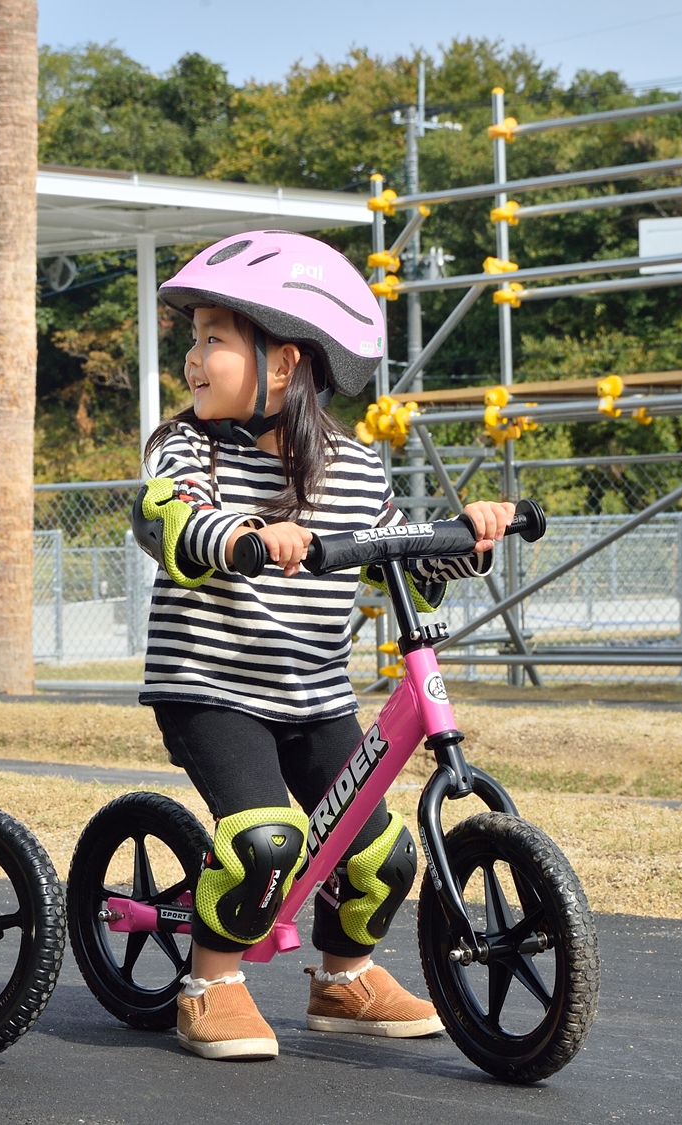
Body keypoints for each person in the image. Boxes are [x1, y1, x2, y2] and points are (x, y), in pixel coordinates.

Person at [133, 230, 516, 1061]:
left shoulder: (355, 468)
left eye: (215, 339)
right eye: (193, 339)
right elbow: (171, 515)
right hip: (210, 685)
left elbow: (401, 559)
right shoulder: (184, 444)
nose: (193, 359)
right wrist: (239, 537)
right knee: (266, 838)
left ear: (287, 362)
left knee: (382, 852)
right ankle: (208, 982)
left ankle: (342, 977)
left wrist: (470, 537)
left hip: (312, 694)